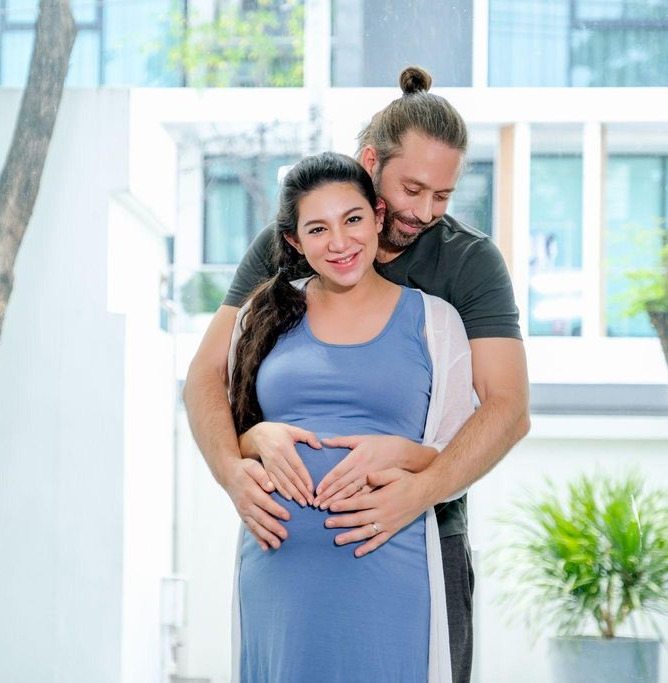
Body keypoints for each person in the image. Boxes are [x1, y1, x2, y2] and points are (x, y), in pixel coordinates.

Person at [184, 66, 530, 682]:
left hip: (423, 539)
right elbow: (208, 375)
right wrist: (236, 468)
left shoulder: (468, 264)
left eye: (443, 196)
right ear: (372, 164)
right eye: (413, 188)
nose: (425, 211)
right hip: (285, 567)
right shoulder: (293, 242)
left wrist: (419, 490)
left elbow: (507, 409)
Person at [230, 151, 472, 681]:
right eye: (318, 228)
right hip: (277, 576)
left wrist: (405, 455)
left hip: (389, 570)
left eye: (353, 220)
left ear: (379, 217)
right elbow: (230, 427)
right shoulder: (262, 315)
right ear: (294, 241)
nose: (339, 243)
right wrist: (255, 439)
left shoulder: (436, 322)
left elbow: (458, 455)